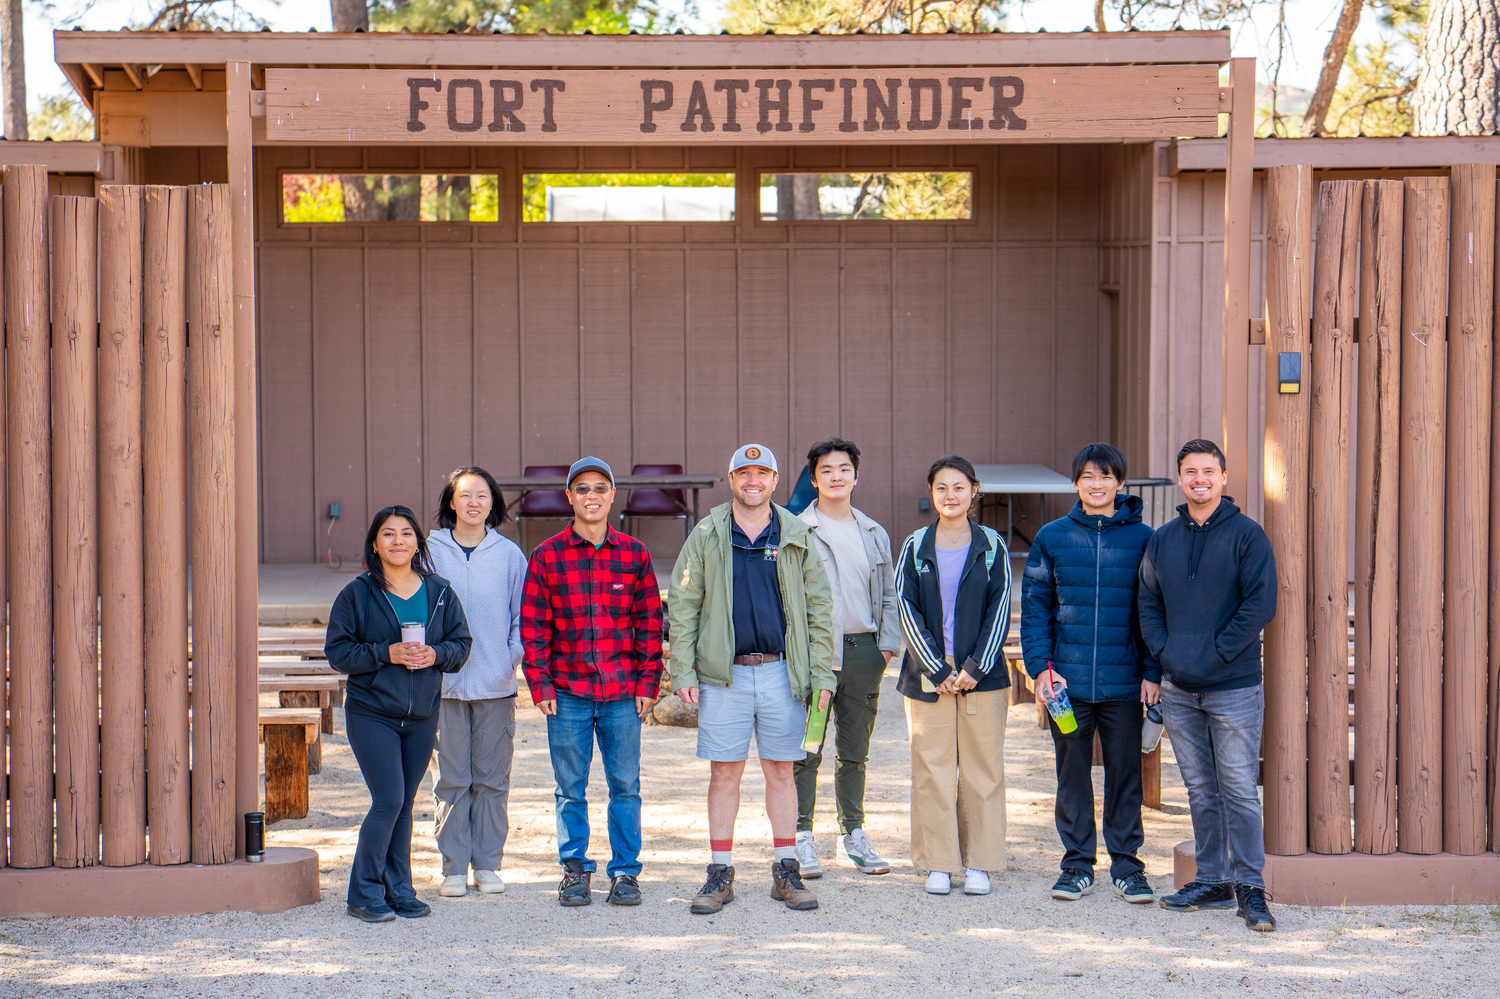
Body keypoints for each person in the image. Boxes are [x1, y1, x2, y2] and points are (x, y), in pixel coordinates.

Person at [668, 444, 835, 914]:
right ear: (731, 478)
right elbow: (683, 605)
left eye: (762, 472)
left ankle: (786, 868)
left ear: (776, 480)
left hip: (784, 671)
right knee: (725, 773)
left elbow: (820, 609)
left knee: (782, 770)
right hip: (726, 675)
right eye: (744, 472)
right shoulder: (707, 532)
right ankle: (720, 873)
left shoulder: (797, 532)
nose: (753, 480)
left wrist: (822, 674)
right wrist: (683, 667)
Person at [1139, 439, 1277, 932]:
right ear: (1180, 478)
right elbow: (1149, 606)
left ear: (1223, 477)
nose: (1199, 479)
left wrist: (1214, 653)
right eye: (1190, 471)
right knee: (1200, 788)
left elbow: (1259, 606)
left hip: (1233, 687)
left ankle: (1252, 889)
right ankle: (1214, 879)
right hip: (1179, 689)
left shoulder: (1247, 536)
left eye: (1208, 471)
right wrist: (1167, 658)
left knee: (1238, 788)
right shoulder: (1163, 539)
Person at [521, 456, 664, 908]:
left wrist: (647, 684)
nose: (592, 496)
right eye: (582, 489)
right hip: (567, 694)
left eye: (600, 488)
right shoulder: (546, 556)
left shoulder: (634, 554)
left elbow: (649, 625)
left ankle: (625, 873)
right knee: (570, 788)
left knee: (626, 786)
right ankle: (575, 871)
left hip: (623, 694)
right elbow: (534, 628)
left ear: (612, 495)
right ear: (569, 497)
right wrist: (540, 685)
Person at [1021, 442, 1158, 905]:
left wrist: (1152, 671)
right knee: (1072, 773)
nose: (1096, 485)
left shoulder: (1144, 539)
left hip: (1125, 683)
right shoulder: (1052, 536)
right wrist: (1040, 667)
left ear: (1121, 483)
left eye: (1106, 476)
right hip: (1068, 686)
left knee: (1125, 774)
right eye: (1088, 476)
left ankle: (1127, 866)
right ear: (1076, 482)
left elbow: (1155, 612)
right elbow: (1036, 607)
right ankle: (1077, 865)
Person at [325, 506, 472, 923]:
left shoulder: (439, 591)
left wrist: (436, 654)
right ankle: (363, 893)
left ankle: (399, 889)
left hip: (422, 714)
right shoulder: (357, 593)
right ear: (375, 544)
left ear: (417, 543)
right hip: (373, 712)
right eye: (388, 534)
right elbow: (338, 652)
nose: (398, 541)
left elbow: (461, 644)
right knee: (388, 799)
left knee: (405, 804)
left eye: (406, 534)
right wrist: (384, 653)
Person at [895, 454, 1012, 897]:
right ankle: (939, 863)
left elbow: (1000, 607)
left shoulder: (991, 545)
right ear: (932, 493)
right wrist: (937, 666)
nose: (950, 495)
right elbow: (905, 607)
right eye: (942, 487)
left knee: (983, 770)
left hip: (982, 677)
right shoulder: (915, 545)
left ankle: (980, 862)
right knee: (932, 771)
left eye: (959, 487)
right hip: (929, 678)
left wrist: (974, 667)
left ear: (973, 491)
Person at [793, 437, 901, 877]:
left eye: (843, 469)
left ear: (856, 475)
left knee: (855, 750)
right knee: (808, 747)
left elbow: (890, 596)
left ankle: (852, 834)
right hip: (818, 657)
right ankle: (800, 837)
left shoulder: (873, 532)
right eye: (826, 470)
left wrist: (887, 647)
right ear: (814, 479)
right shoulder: (797, 530)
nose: (836, 477)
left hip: (863, 654)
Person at [426, 466, 527, 899]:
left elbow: (525, 617)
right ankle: (453, 866)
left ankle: (487, 865)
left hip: (495, 682)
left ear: (493, 503)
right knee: (450, 778)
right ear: (451, 502)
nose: (473, 503)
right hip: (442, 685)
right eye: (465, 495)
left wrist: (510, 658)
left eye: (482, 496)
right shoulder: (429, 550)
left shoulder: (509, 555)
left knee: (491, 779)